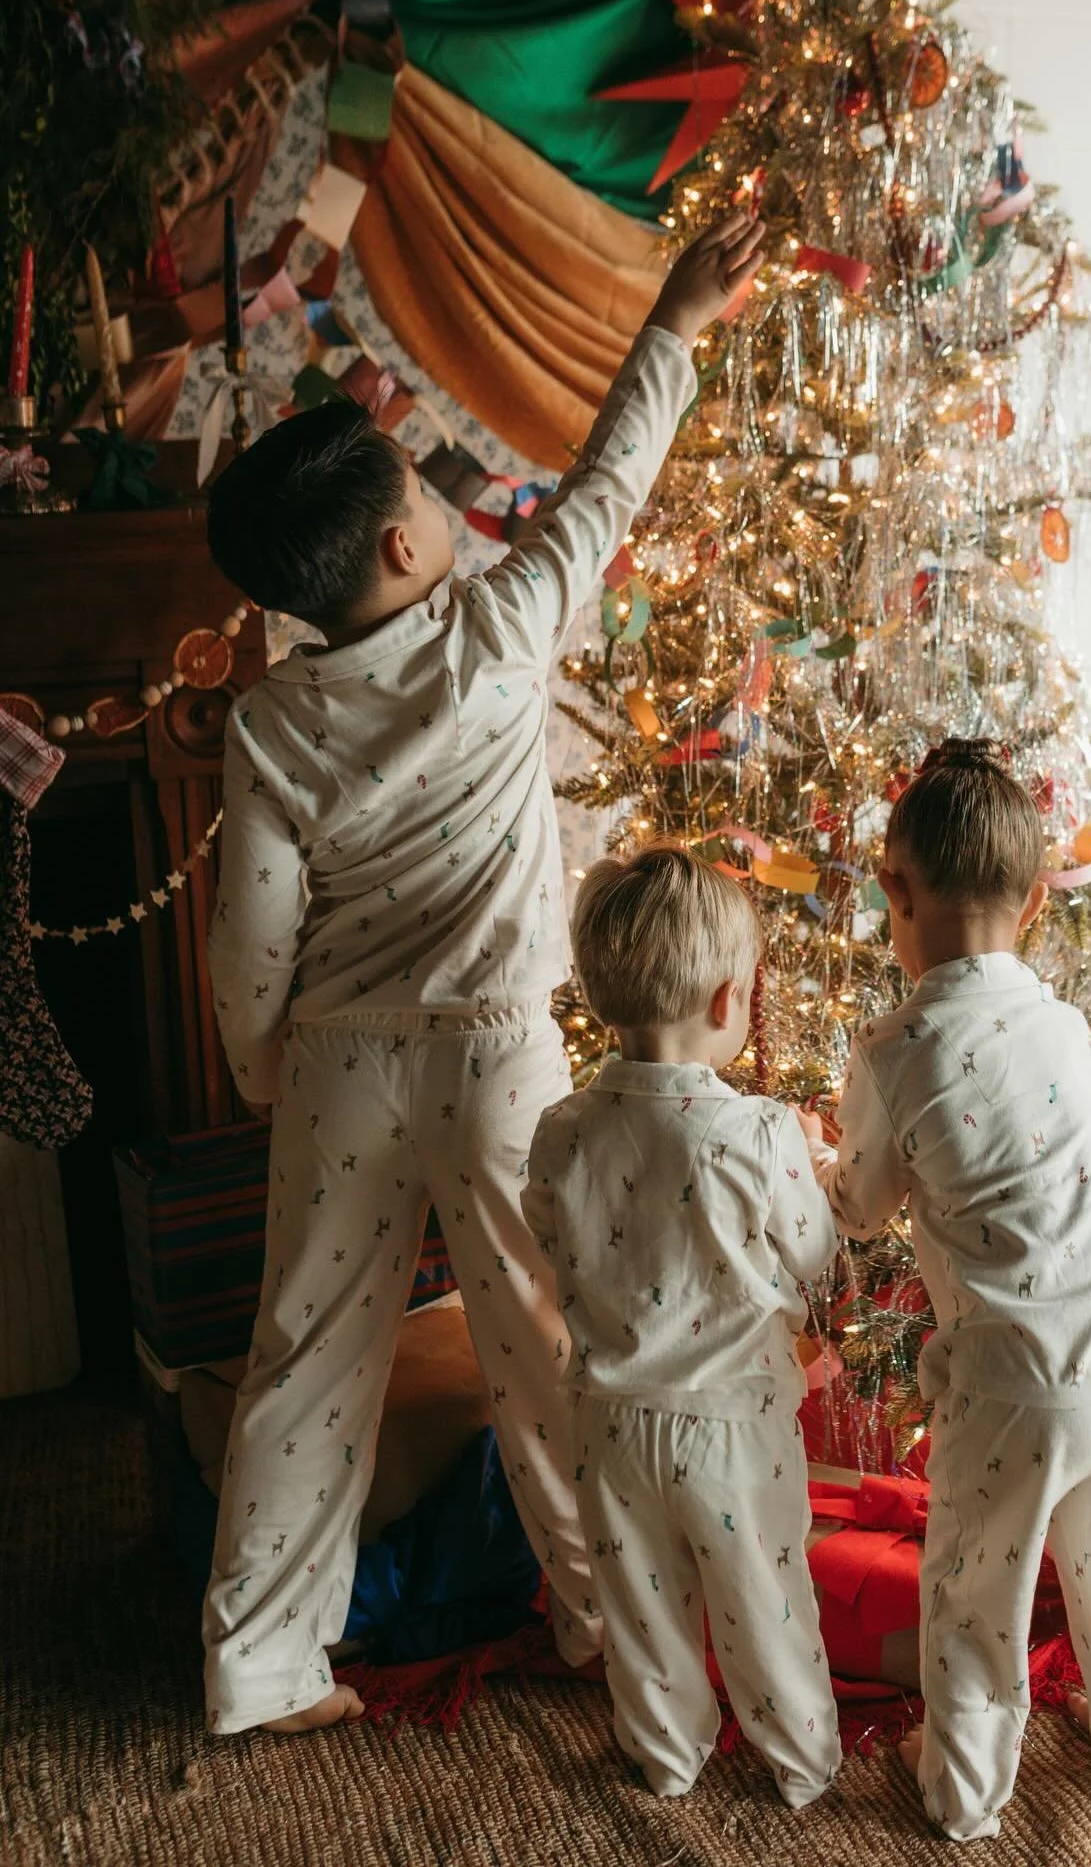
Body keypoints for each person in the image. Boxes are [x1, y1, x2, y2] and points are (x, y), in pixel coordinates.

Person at [200, 212, 766, 1737]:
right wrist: (676, 328)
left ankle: (259, 1666)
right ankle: (599, 1621)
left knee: (306, 1354)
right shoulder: (501, 632)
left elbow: (249, 932)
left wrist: (266, 1067)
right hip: (500, 1048)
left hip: (336, 1058)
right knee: (543, 1341)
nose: (448, 506)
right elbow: (606, 494)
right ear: (404, 544)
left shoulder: (269, 721)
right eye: (426, 497)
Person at [797, 738, 1091, 1841]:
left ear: (894, 889)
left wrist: (813, 1156)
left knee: (974, 1588)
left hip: (1022, 1385)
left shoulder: (897, 1050)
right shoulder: (1071, 1027)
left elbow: (860, 1206)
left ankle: (966, 1792)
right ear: (1033, 903)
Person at [520, 846, 843, 1807]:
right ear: (723, 1001)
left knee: (644, 1605)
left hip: (613, 1422)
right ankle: (801, 1759)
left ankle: (664, 1754)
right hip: (734, 1426)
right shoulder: (758, 1132)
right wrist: (816, 1165)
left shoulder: (561, 1129)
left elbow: (549, 1231)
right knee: (764, 1593)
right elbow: (815, 1252)